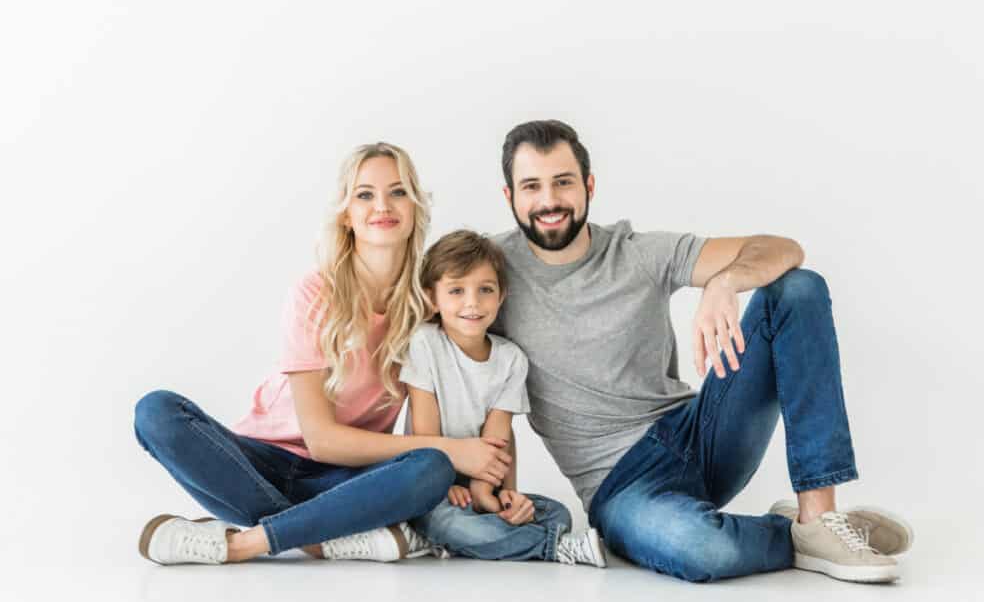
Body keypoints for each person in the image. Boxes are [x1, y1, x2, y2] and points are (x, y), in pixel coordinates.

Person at [489, 120, 915, 584]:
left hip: (700, 435)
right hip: (621, 487)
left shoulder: (637, 253)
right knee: (701, 549)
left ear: (588, 186)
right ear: (510, 196)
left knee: (797, 289)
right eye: (532, 186)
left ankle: (818, 513)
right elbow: (432, 320)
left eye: (563, 182)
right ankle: (806, 534)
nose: (549, 200)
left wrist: (726, 281)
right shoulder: (493, 275)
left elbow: (783, 248)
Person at [133, 143, 513, 565]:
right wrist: (452, 447)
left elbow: (484, 366)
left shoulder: (431, 305)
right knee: (156, 411)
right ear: (346, 215)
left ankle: (248, 541)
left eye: (398, 191)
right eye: (365, 194)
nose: (382, 205)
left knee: (430, 469)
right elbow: (322, 440)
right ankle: (323, 534)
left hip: (346, 479)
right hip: (260, 465)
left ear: (416, 209)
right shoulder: (314, 293)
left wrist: (467, 466)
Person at [399, 230, 605, 567]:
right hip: (431, 480)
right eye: (456, 291)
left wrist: (498, 494)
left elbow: (498, 437)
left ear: (501, 295)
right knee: (450, 521)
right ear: (432, 298)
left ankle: (467, 538)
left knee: (557, 512)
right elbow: (424, 436)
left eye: (485, 290)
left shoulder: (511, 360)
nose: (472, 303)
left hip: (484, 477)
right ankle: (554, 548)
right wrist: (443, 484)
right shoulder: (425, 343)